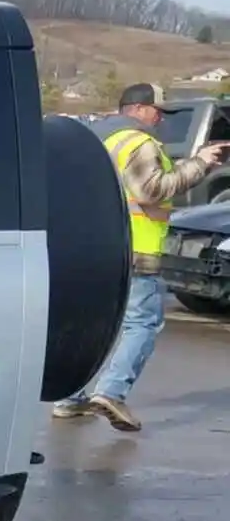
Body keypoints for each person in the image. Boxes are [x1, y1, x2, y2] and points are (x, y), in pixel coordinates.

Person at [53, 83, 228, 431]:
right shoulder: (139, 142)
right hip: (136, 249)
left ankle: (69, 398)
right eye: (156, 110)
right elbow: (152, 191)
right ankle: (112, 392)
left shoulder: (97, 140)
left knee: (92, 324)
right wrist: (200, 164)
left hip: (94, 247)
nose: (160, 118)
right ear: (135, 109)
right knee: (142, 322)